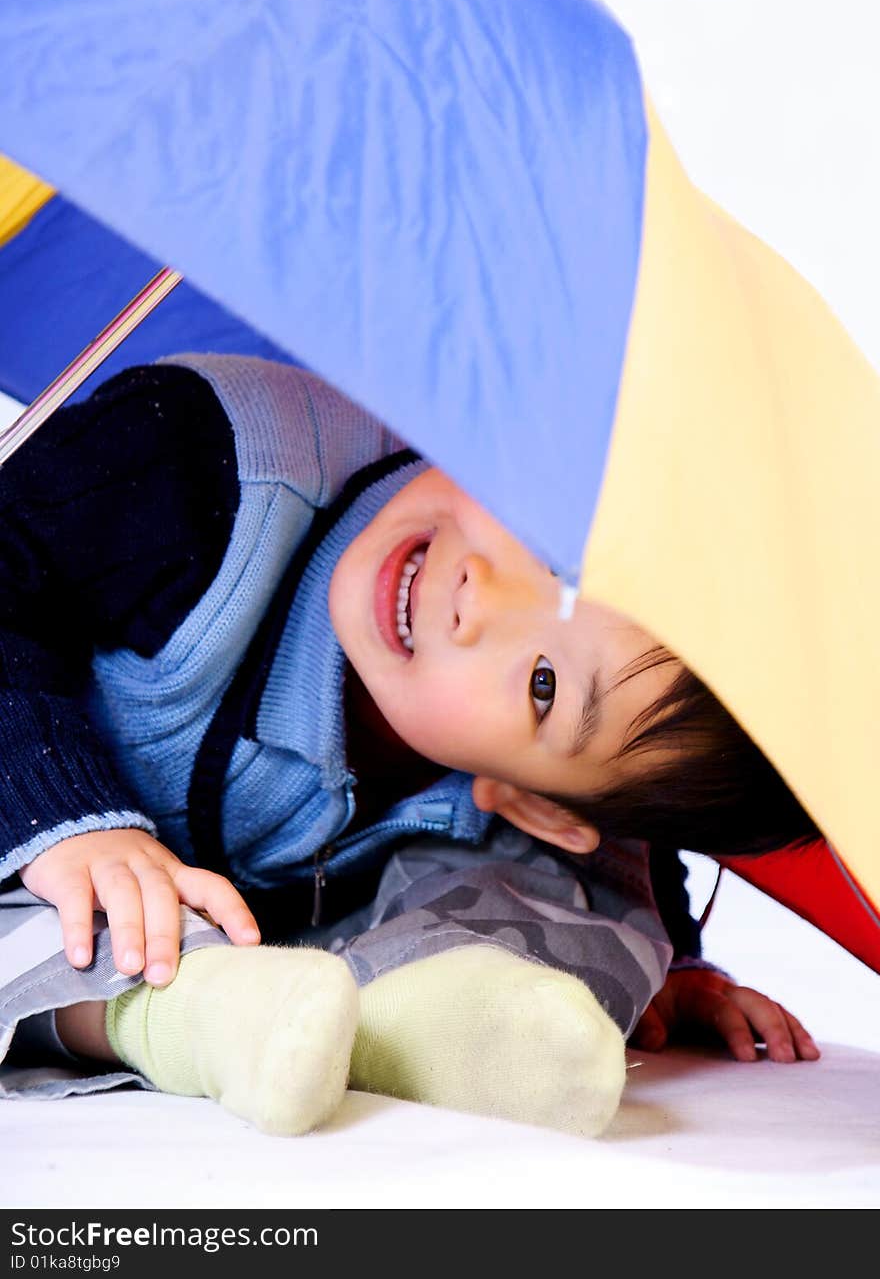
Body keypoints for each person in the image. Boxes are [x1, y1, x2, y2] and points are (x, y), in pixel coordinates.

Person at [0, 354, 818, 1137]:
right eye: (552, 545)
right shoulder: (196, 457)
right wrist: (72, 824)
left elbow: (636, 828)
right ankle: (183, 1019)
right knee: (62, 912)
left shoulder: (540, 802)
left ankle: (428, 1022)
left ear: (538, 801)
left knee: (595, 897)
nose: (481, 592)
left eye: (543, 684)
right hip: (40, 832)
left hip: (292, 919)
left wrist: (677, 963)